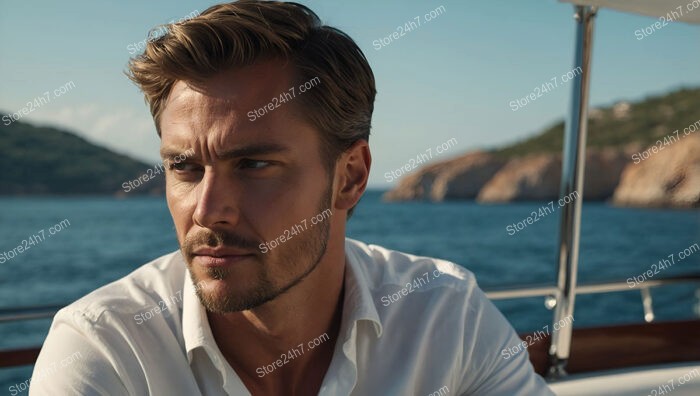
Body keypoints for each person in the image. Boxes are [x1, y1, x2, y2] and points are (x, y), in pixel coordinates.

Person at [30, 1, 553, 395]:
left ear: (349, 176)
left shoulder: (444, 315)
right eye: (184, 167)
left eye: (255, 165)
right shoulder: (107, 348)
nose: (208, 211)